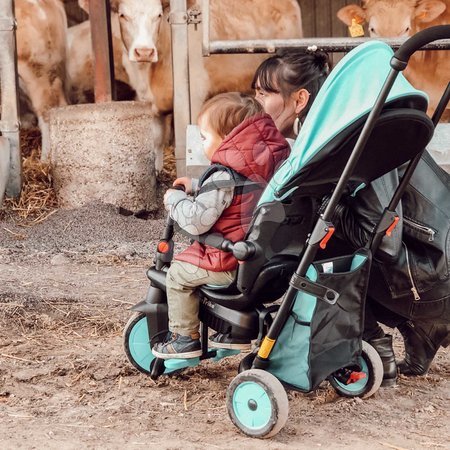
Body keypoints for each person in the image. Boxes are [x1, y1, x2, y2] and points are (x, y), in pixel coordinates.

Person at [252, 49, 450, 386]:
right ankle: (422, 328)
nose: (256, 102)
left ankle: (373, 346)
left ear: (300, 98)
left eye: (264, 93)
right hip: (431, 267)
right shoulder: (347, 126)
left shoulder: (357, 139)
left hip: (433, 277)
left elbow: (382, 241)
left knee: (310, 247)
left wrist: (321, 209)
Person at [152, 92, 290, 359]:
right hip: (262, 262)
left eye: (205, 138)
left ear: (229, 139)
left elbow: (196, 221)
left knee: (178, 274)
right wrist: (200, 187)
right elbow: (238, 198)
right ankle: (234, 334)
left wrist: (176, 199)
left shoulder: (223, 175)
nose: (203, 145)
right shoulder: (264, 168)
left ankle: (183, 338)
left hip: (227, 263)